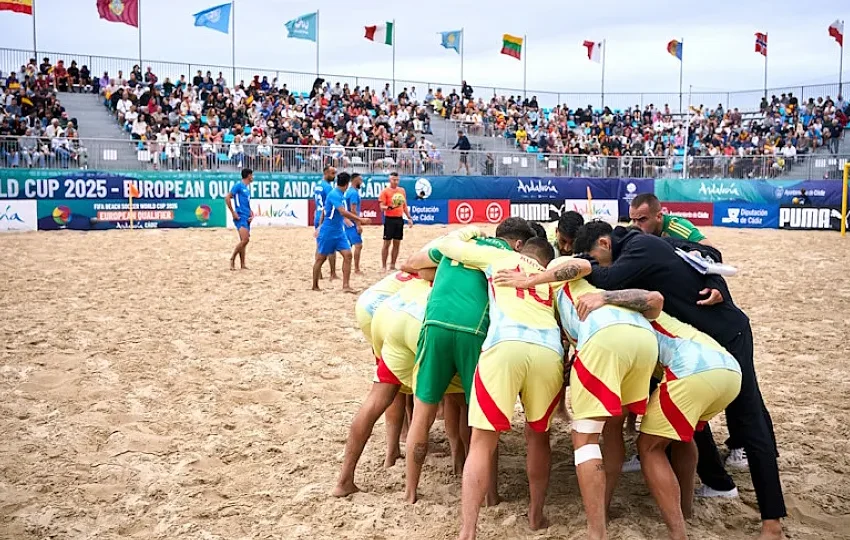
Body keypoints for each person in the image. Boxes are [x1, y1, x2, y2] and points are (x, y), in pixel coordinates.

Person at [571, 221, 785, 540]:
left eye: (599, 257)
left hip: (727, 334)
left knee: (748, 419)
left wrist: (579, 264)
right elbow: (704, 255)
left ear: (604, 243)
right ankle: (716, 482)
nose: (604, 264)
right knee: (689, 421)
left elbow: (607, 278)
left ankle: (772, 521)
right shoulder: (644, 245)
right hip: (696, 344)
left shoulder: (638, 247)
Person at [494, 257, 661, 540]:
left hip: (602, 340)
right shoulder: (604, 294)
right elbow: (656, 300)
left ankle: (597, 532)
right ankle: (604, 507)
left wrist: (532, 280)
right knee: (613, 428)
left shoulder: (558, 286)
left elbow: (581, 265)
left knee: (584, 440)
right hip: (644, 342)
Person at [430, 232, 562, 540]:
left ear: (523, 249)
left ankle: (468, 530)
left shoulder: (500, 258)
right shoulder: (552, 274)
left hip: (504, 344)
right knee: (538, 437)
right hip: (547, 349)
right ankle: (535, 516)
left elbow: (446, 246)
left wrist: (470, 232)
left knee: (482, 442)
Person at [580, 292, 742, 540]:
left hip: (692, 370)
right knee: (682, 438)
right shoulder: (652, 317)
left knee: (649, 447)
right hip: (729, 371)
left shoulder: (620, 319)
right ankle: (685, 510)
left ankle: (678, 533)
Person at [400, 221, 534, 506]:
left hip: (434, 324)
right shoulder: (510, 258)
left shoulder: (460, 247)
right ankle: (491, 495)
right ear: (518, 244)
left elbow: (412, 265)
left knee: (422, 413)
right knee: (483, 420)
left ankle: (410, 491)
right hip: (475, 330)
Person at [333, 272, 468, 497]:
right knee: (457, 400)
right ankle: (456, 464)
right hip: (423, 322)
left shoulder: (429, 265)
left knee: (381, 395)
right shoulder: (479, 268)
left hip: (388, 313)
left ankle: (348, 478)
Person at [312, 173, 368, 292]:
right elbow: (342, 212)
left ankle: (346, 286)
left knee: (348, 255)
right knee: (321, 259)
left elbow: (326, 211)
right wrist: (360, 219)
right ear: (347, 184)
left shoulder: (340, 194)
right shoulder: (334, 194)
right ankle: (315, 285)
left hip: (339, 231)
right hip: (328, 231)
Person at [629, 193, 713, 246]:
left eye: (642, 219)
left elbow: (711, 251)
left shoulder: (678, 227)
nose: (636, 225)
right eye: (633, 220)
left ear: (658, 216)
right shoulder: (633, 228)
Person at [378, 173, 413, 271]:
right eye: (394, 179)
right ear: (390, 180)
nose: (396, 181)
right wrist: (389, 207)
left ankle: (392, 264)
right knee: (387, 243)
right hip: (389, 219)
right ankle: (384, 266)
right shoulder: (385, 191)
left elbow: (404, 205)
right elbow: (381, 207)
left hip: (399, 219)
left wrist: (409, 218)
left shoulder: (402, 190)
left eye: (397, 180)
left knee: (397, 243)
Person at [225, 168, 254, 270]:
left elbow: (246, 204)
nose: (253, 177)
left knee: (243, 241)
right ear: (248, 176)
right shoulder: (238, 186)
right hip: (240, 216)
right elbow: (227, 197)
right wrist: (233, 212)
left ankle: (242, 264)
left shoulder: (246, 189)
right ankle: (232, 259)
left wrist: (251, 213)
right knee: (245, 240)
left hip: (246, 216)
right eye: (252, 175)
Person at [314, 166, 338, 279]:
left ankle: (318, 273)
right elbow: (330, 205)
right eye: (333, 173)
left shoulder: (318, 185)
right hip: (325, 217)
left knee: (319, 245)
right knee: (331, 245)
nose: (334, 176)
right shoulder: (328, 187)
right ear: (326, 173)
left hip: (317, 215)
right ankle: (333, 273)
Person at [344, 173, 364, 274]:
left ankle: (349, 267)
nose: (361, 182)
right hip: (351, 222)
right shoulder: (353, 193)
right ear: (355, 180)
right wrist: (358, 224)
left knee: (349, 245)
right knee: (358, 245)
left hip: (347, 222)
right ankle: (356, 269)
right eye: (360, 180)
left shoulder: (349, 192)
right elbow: (353, 210)